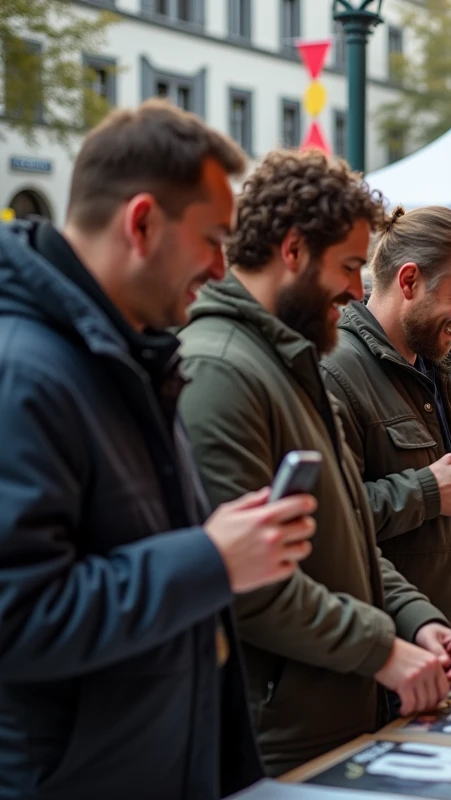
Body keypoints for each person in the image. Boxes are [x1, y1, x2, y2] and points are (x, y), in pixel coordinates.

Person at [0, 102, 311, 798]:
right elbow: (16, 614)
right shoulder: (23, 371)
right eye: (211, 239)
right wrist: (211, 559)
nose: (220, 265)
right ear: (141, 222)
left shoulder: (129, 354)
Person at [177, 151, 451, 775]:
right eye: (345, 266)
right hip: (276, 730)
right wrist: (381, 647)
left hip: (330, 709)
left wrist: (417, 621)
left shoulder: (290, 360)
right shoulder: (223, 370)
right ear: (292, 250)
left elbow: (346, 535)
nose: (355, 288)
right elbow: (246, 581)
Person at [322, 206, 451, 667]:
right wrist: (432, 491)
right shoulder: (335, 368)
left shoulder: (435, 365)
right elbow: (329, 521)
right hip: (392, 656)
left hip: (450, 638)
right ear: (409, 280)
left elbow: (436, 483)